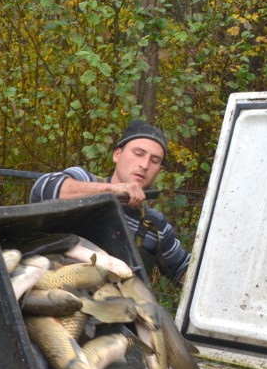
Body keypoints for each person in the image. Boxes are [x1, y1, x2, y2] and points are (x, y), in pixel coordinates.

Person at [29, 119, 189, 285]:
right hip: (55, 294)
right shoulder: (83, 179)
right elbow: (43, 190)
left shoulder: (156, 226)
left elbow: (183, 270)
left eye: (154, 161)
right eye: (138, 154)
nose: (144, 164)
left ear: (159, 171)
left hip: (115, 307)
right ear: (117, 154)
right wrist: (113, 191)